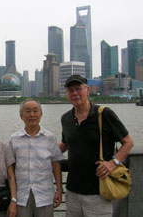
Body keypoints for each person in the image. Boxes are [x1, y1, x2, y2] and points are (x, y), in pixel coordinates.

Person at [59, 75, 134, 217]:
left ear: (87, 90)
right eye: (70, 90)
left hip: (98, 192)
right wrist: (38, 150)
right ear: (67, 94)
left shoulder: (104, 114)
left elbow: (128, 142)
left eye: (78, 89)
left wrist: (113, 163)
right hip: (72, 191)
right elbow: (65, 144)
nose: (75, 93)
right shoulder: (66, 118)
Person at [9, 99, 63, 217]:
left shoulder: (50, 138)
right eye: (28, 111)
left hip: (45, 195)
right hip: (22, 196)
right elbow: (10, 169)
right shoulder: (14, 139)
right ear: (21, 116)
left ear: (41, 114)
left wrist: (59, 189)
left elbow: (56, 165)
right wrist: (13, 197)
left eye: (35, 111)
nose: (32, 115)